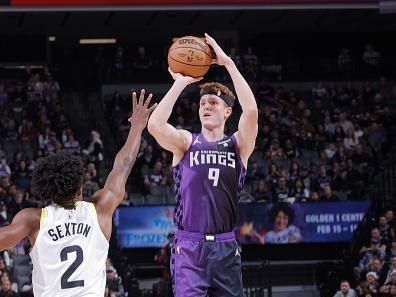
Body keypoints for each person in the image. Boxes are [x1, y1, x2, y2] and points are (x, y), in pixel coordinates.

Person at [0, 90, 156, 297]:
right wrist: (137, 127)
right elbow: (122, 167)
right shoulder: (101, 209)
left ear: (46, 190)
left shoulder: (33, 219)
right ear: (80, 186)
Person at [148, 33, 258, 297]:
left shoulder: (238, 145)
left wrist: (229, 63)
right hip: (189, 246)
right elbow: (155, 126)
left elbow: (252, 111)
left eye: (213, 103)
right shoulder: (186, 142)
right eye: (203, 103)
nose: (206, 106)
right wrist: (181, 83)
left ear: (227, 111)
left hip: (225, 246)